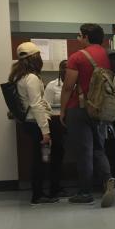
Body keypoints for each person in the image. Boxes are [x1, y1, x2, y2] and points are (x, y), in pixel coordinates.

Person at [60, 23, 115, 207]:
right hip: (101, 109)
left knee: (84, 151)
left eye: (79, 36)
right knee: (99, 148)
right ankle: (108, 180)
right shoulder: (110, 56)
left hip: (80, 108)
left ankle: (85, 192)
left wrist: (62, 110)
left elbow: (68, 86)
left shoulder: (76, 57)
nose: (77, 39)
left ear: (85, 37)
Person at [10, 42, 61, 204]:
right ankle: (37, 195)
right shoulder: (31, 78)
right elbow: (37, 105)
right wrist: (45, 131)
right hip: (36, 124)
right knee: (40, 160)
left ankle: (38, 193)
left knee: (39, 158)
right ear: (34, 58)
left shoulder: (19, 76)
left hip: (29, 123)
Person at [43, 59, 67, 197]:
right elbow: (46, 108)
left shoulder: (77, 85)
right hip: (56, 124)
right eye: (63, 68)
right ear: (59, 70)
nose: (66, 70)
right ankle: (55, 187)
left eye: (69, 68)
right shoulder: (52, 86)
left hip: (72, 122)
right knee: (56, 155)